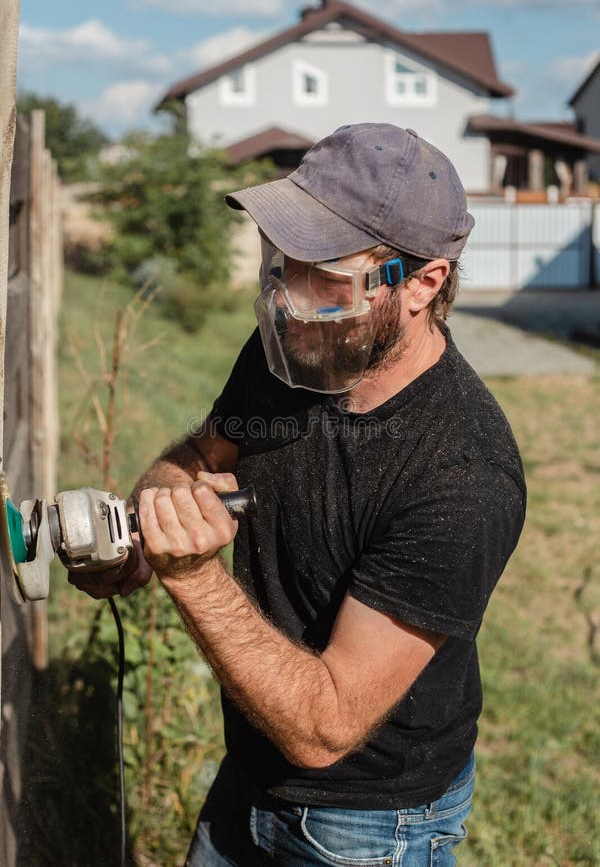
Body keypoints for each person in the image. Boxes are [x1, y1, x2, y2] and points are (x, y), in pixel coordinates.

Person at [73, 123, 526, 866]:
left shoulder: (462, 474)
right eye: (279, 259)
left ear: (423, 282)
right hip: (247, 769)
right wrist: (147, 522)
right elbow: (198, 454)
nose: (286, 295)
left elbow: (326, 726)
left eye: (323, 274)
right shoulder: (301, 348)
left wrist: (191, 576)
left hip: (365, 825)